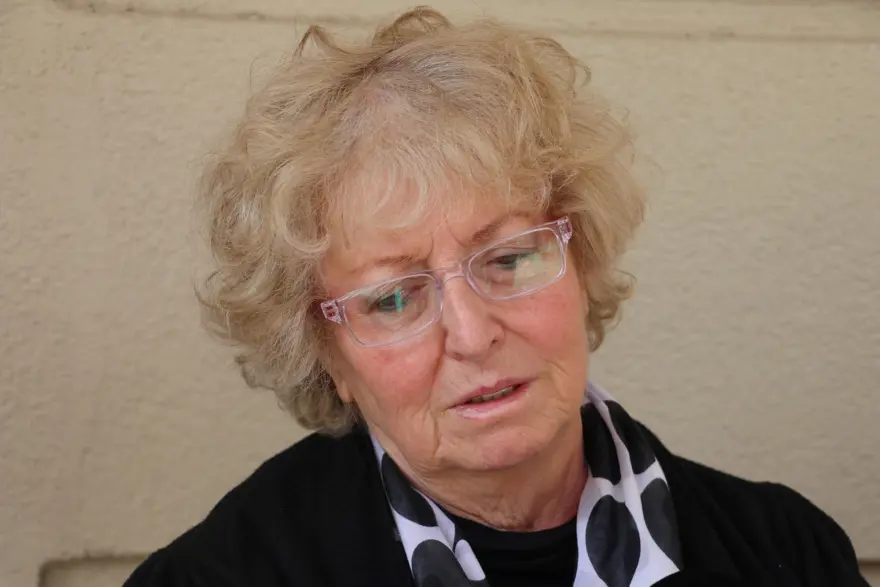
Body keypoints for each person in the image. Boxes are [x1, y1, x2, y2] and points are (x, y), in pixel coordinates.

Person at [123, 7, 868, 587]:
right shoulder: (221, 575)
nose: (472, 333)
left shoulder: (788, 554)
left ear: (581, 259)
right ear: (327, 356)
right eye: (393, 300)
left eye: (508, 258)